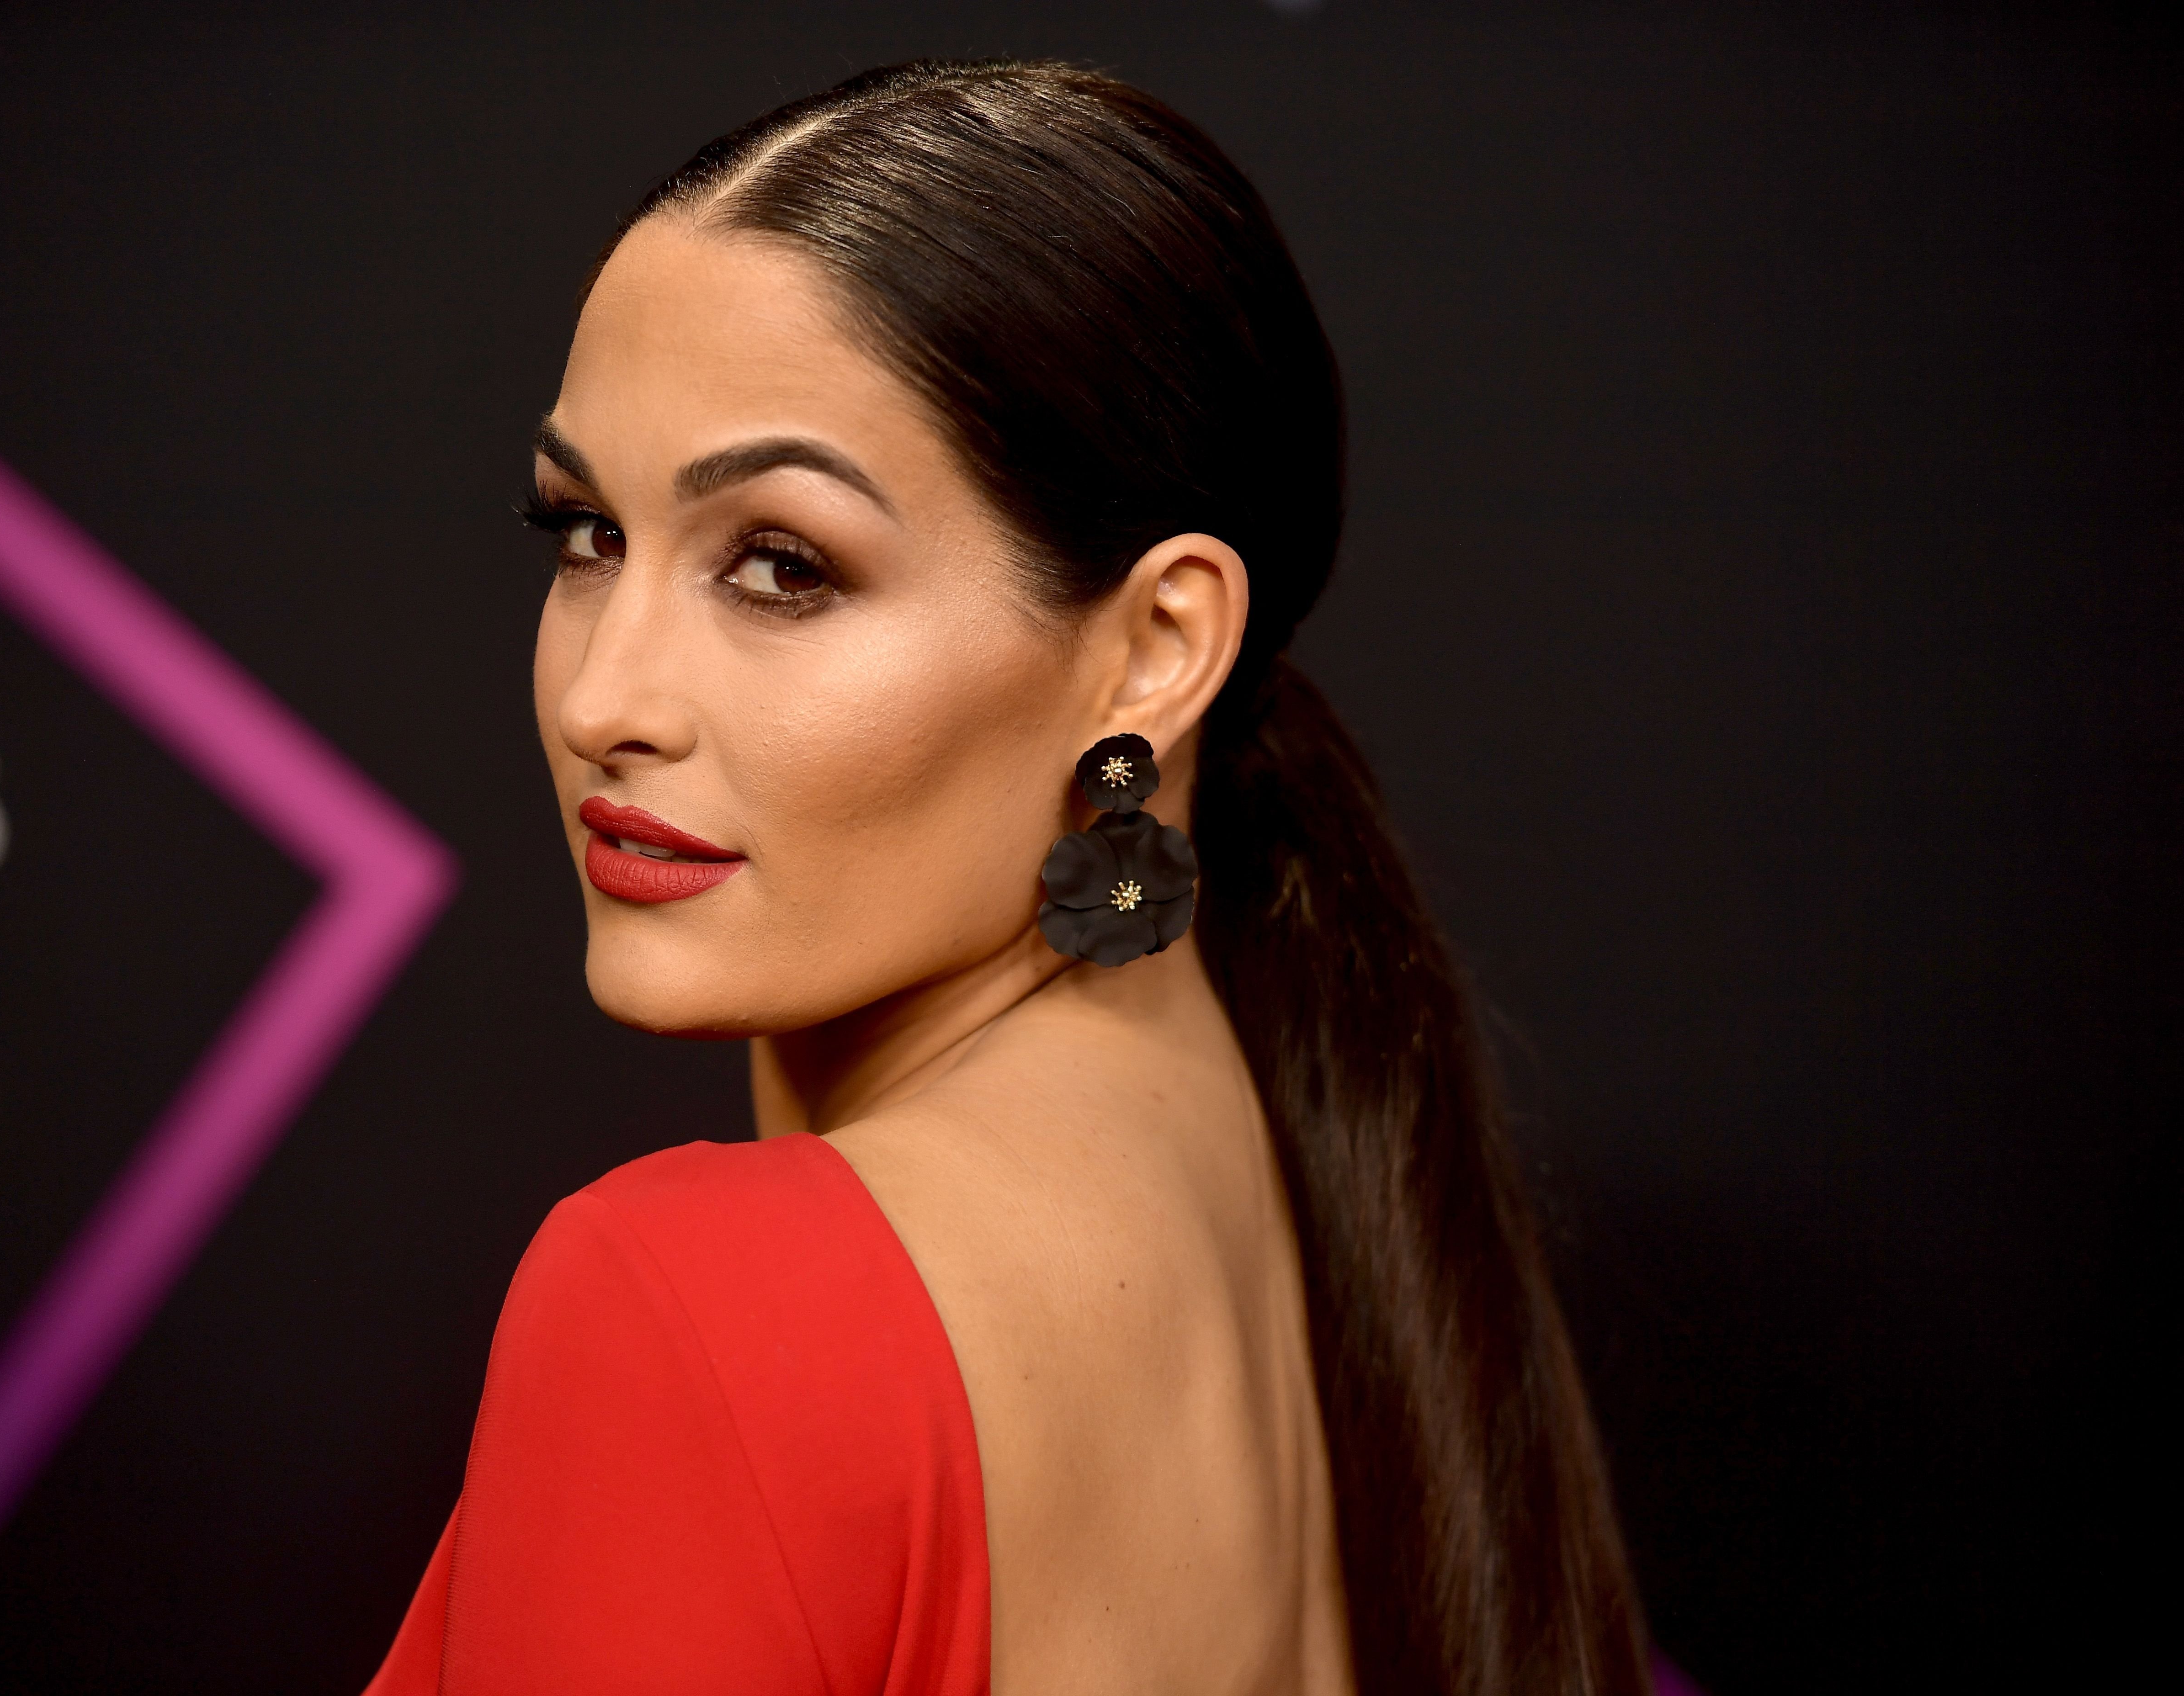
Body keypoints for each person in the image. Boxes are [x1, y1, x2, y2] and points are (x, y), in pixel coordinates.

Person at [366, 59, 1647, 1696]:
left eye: (781, 566)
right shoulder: (1279, 1184)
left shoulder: (691, 1308)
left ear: (1156, 647)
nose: (607, 700)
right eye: (585, 536)